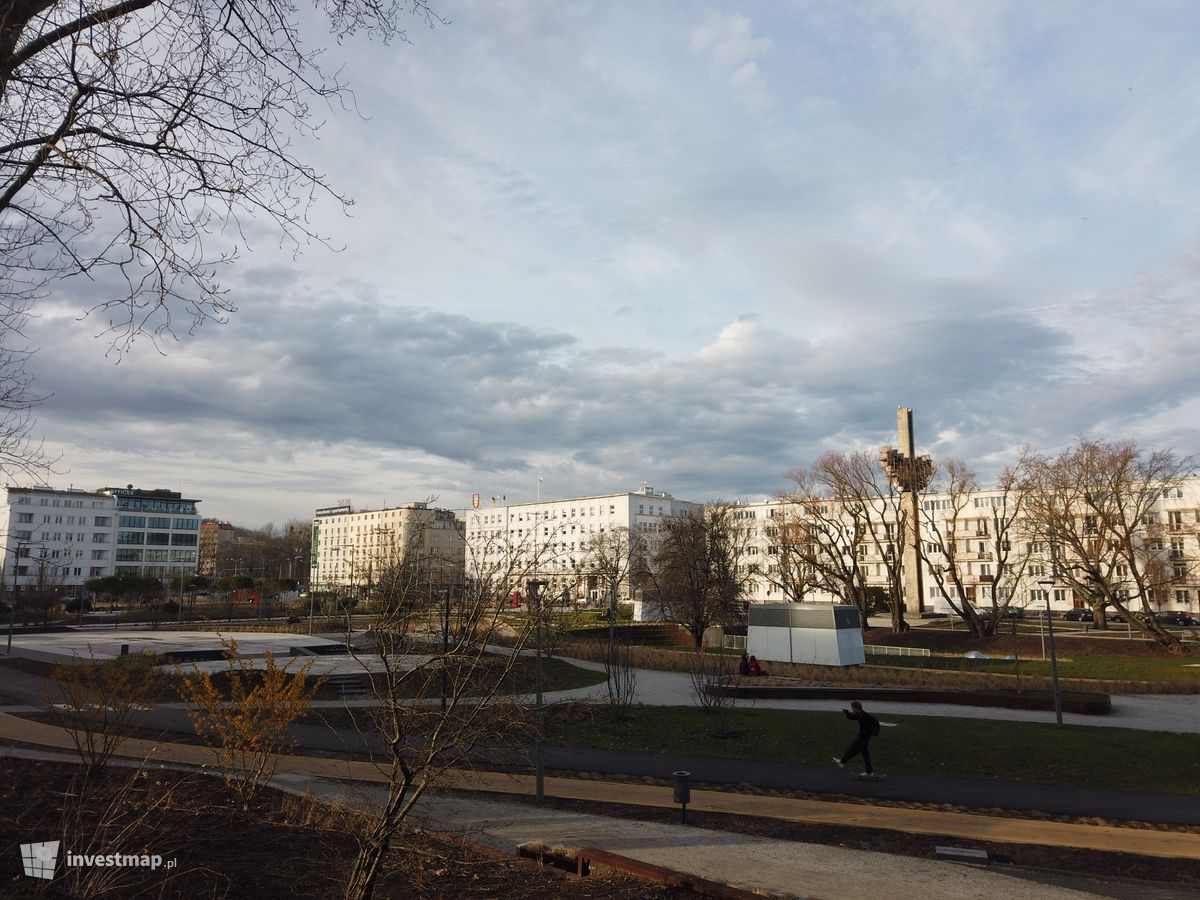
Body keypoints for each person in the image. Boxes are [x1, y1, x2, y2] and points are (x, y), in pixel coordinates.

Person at [833, 700, 878, 775]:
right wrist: (847, 713)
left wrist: (872, 731)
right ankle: (869, 771)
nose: (852, 709)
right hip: (863, 736)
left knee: (853, 748)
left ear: (856, 708)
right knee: (865, 754)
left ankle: (842, 761)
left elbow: (874, 720)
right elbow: (852, 717)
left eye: (852, 707)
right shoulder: (860, 714)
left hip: (863, 737)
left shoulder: (864, 716)